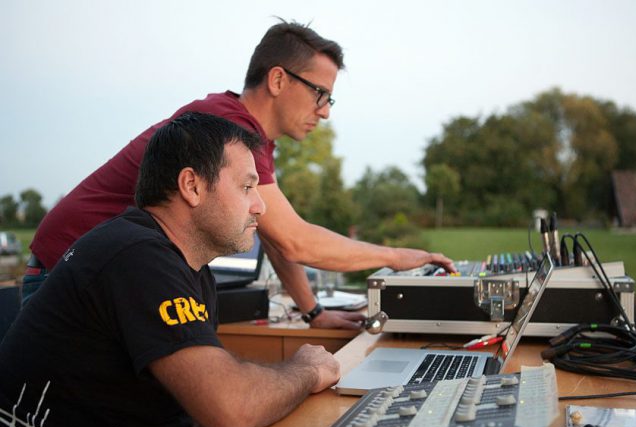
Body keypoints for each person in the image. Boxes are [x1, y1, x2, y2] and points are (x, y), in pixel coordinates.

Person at [24, 20, 455, 328]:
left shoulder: (250, 138)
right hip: (68, 269)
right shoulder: (226, 126)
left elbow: (275, 236)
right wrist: (397, 256)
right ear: (278, 80)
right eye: (320, 94)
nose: (325, 111)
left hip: (102, 272)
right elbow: (296, 240)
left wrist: (314, 311)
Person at [0, 112, 340, 427]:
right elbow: (231, 408)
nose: (260, 206)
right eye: (246, 187)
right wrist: (307, 371)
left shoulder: (188, 268)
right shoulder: (136, 256)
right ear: (191, 186)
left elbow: (205, 396)